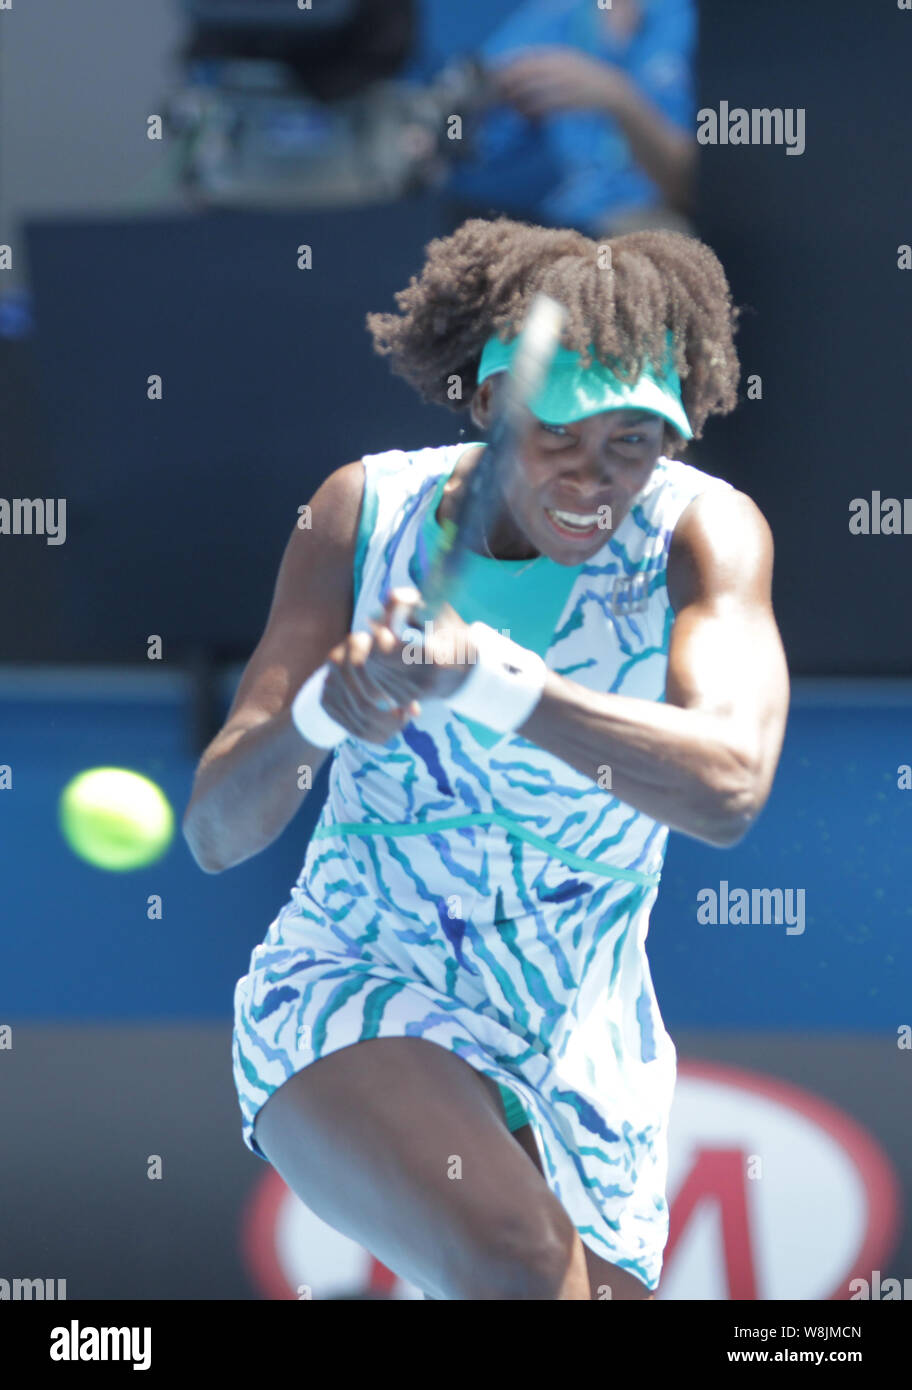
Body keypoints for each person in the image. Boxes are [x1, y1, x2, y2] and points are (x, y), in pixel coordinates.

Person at [183, 216, 789, 1300]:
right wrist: (324, 710)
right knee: (521, 1266)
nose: (591, 476)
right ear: (486, 403)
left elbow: (730, 787)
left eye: (631, 442)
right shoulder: (359, 513)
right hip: (354, 983)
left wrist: (494, 682)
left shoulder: (706, 534)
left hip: (583, 1036)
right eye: (555, 431)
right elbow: (218, 829)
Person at [445, 0, 697, 237]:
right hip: (570, 222)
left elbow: (695, 189)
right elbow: (466, 119)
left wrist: (620, 100)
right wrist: (447, 130)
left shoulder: (698, 21)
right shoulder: (557, 16)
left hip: (659, 224)